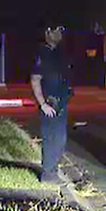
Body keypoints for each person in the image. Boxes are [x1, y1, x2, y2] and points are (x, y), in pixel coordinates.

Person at [30, 23, 73, 183]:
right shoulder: (42, 53)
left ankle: (53, 171)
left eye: (62, 30)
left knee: (60, 141)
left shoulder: (59, 53)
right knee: (51, 140)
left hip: (61, 105)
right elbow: (35, 80)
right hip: (49, 104)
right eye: (57, 30)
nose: (60, 34)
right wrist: (42, 104)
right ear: (48, 32)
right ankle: (48, 176)